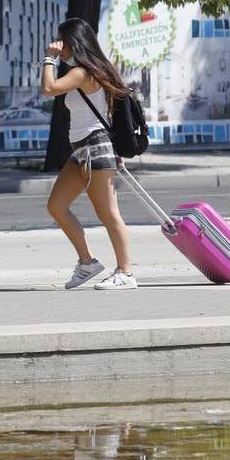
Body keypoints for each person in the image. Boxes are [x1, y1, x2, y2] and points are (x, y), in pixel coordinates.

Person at [41, 17, 137, 290]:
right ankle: (88, 262)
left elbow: (48, 89)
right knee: (56, 206)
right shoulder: (90, 70)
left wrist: (50, 58)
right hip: (82, 149)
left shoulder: (83, 73)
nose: (59, 46)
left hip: (95, 146)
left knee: (108, 213)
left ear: (73, 42)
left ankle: (126, 273)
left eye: (62, 41)